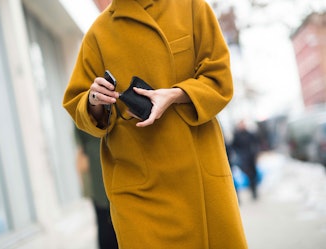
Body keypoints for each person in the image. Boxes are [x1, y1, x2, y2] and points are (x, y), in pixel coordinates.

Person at [63, 0, 248, 248]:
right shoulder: (98, 34)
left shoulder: (192, 7)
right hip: (138, 190)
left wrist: (175, 94)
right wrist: (94, 99)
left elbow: (220, 79)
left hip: (199, 178)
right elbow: (78, 104)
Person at [74, 127, 118, 249]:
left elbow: (81, 145)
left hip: (97, 168)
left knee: (104, 221)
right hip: (103, 165)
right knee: (107, 222)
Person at [231, 119, 260, 200]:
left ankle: (254, 192)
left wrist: (255, 153)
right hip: (243, 158)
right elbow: (234, 146)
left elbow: (256, 143)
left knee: (253, 174)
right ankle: (252, 190)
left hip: (251, 157)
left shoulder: (249, 133)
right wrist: (238, 154)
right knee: (248, 174)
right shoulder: (237, 135)